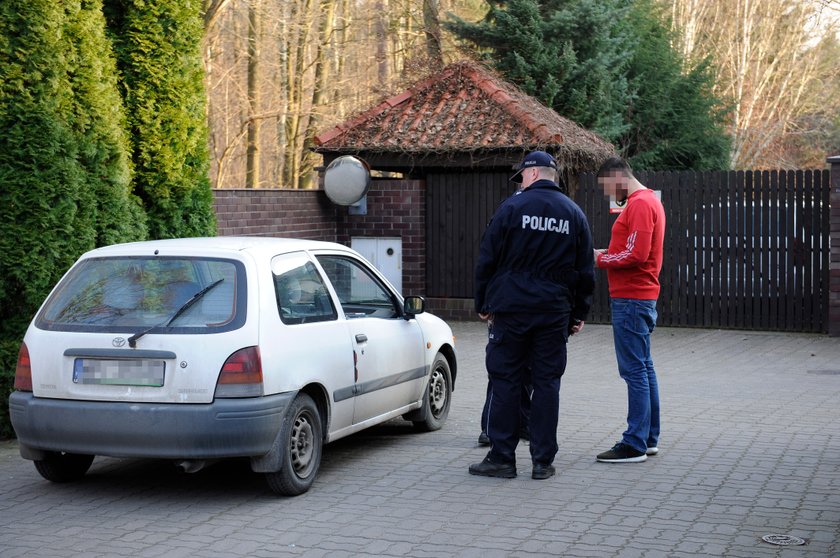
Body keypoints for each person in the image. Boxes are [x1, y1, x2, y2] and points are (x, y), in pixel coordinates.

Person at [469, 150, 594, 480]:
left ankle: (501, 458)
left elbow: (487, 258)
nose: (521, 182)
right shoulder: (573, 213)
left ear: (533, 174)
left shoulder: (511, 208)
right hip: (554, 312)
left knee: (506, 380)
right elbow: (585, 270)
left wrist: (483, 302)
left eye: (522, 176)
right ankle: (542, 462)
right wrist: (579, 312)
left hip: (511, 310)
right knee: (547, 383)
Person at [593, 156, 666, 463]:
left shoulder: (638, 204)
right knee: (644, 367)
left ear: (618, 178)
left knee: (634, 370)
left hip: (632, 298)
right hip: (639, 296)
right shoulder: (649, 202)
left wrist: (597, 259)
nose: (610, 195)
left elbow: (635, 254)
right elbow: (634, 250)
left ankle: (635, 442)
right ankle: (647, 438)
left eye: (609, 188)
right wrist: (607, 253)